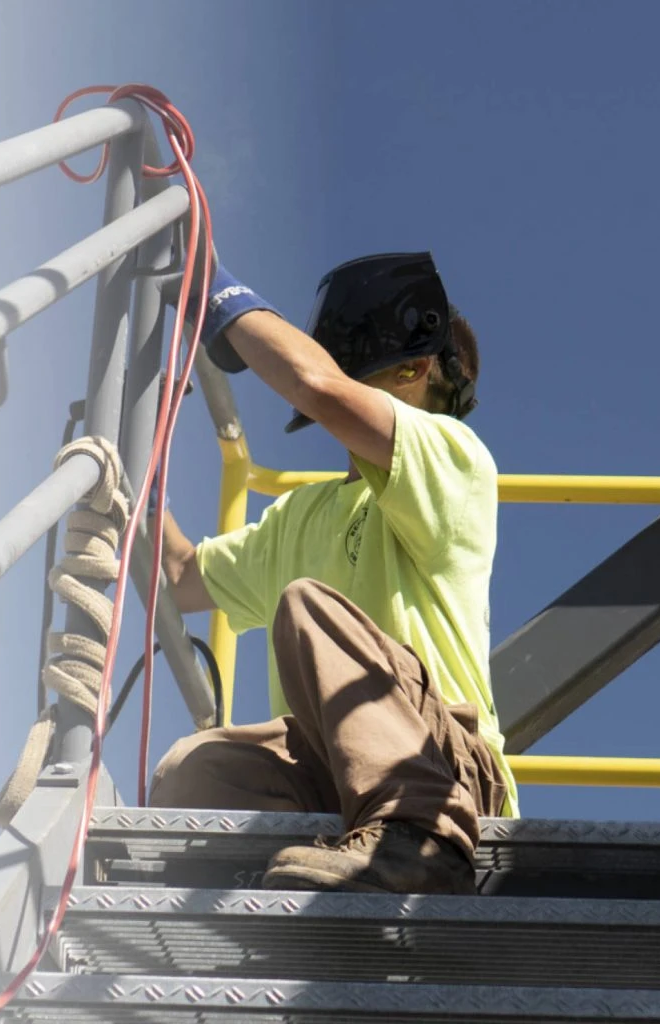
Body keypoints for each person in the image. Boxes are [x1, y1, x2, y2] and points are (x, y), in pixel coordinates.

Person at [148, 232, 519, 896]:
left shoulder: (454, 459)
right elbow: (180, 578)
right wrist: (133, 482)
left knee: (307, 607)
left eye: (354, 368)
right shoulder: (304, 514)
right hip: (338, 780)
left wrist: (219, 293)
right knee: (195, 768)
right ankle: (304, 862)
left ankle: (420, 842)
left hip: (448, 775)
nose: (330, 380)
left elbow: (316, 385)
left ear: (417, 369)